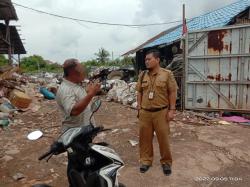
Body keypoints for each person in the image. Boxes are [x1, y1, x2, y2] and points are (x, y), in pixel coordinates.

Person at [136, 49, 178, 176]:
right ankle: (146, 161)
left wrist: (172, 110)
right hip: (145, 113)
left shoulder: (167, 74)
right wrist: (139, 107)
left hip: (161, 112)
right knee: (144, 139)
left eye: (149, 59)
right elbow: (139, 91)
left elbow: (172, 91)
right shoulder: (142, 75)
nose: (146, 62)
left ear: (157, 60)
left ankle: (166, 162)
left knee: (163, 139)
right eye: (145, 60)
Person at [56, 58, 101, 132]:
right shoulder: (66, 89)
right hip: (74, 134)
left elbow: (77, 98)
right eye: (82, 71)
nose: (84, 73)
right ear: (73, 73)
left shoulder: (74, 85)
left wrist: (87, 92)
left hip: (82, 130)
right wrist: (91, 94)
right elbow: (74, 111)